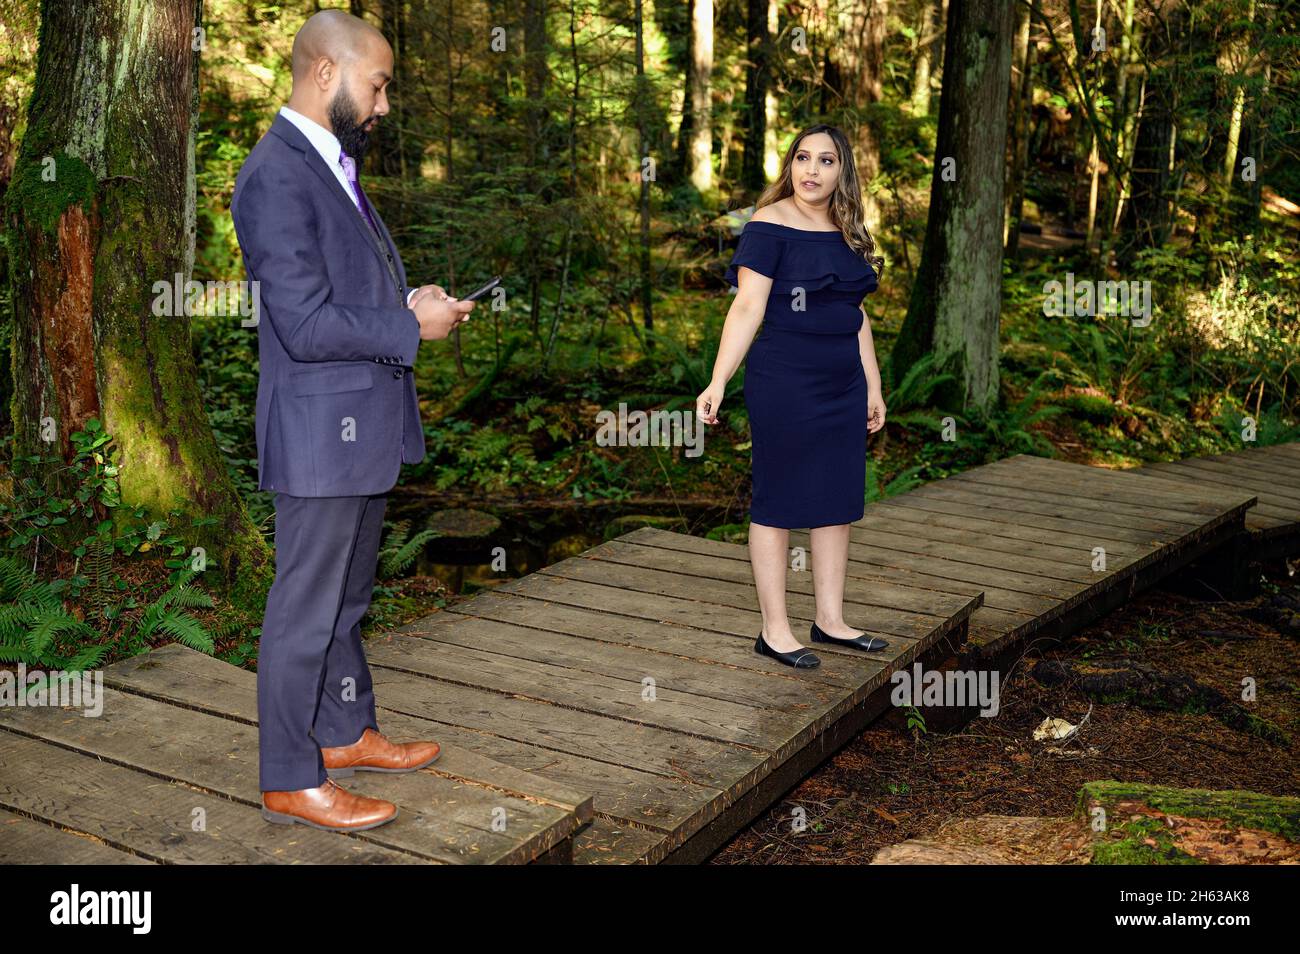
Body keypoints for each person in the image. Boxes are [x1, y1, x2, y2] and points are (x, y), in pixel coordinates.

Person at [230, 9, 475, 830]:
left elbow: (340, 296)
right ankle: (289, 776)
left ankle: (341, 731)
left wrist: (409, 302)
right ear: (327, 74)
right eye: (377, 85)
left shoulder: (329, 163)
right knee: (304, 606)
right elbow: (300, 324)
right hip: (316, 434)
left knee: (345, 599)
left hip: (359, 429)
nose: (383, 104)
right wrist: (410, 330)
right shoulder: (275, 174)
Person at [696, 124, 889, 670]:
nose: (812, 170)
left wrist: (872, 385)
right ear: (790, 165)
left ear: (841, 171)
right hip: (785, 379)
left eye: (826, 161)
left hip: (843, 383)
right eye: (803, 158)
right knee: (778, 501)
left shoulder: (846, 229)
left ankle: (830, 620)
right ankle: (774, 630)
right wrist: (717, 381)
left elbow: (856, 315)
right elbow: (747, 308)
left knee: (837, 499)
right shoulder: (768, 224)